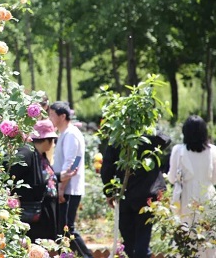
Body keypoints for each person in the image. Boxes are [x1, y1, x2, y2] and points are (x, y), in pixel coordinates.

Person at [101, 129, 171, 258]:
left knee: (129, 242)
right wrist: (149, 129)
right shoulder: (149, 136)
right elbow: (166, 139)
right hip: (147, 195)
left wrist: (109, 192)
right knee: (142, 240)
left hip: (125, 194)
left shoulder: (118, 136)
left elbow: (107, 166)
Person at [9, 119, 77, 242]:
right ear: (46, 140)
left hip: (44, 216)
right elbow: (8, 173)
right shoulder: (27, 154)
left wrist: (62, 176)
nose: (53, 143)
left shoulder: (40, 155)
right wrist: (12, 196)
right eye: (52, 140)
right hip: (33, 218)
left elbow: (44, 178)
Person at [167, 115, 216, 257]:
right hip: (208, 197)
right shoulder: (213, 151)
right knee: (209, 238)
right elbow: (214, 180)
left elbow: (171, 178)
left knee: (187, 238)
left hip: (186, 199)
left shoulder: (178, 150)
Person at [49, 101, 93, 258]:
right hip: (66, 188)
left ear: (62, 116)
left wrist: (61, 188)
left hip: (69, 189)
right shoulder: (65, 133)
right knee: (63, 230)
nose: (50, 118)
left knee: (67, 229)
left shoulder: (71, 134)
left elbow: (71, 163)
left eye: (52, 114)